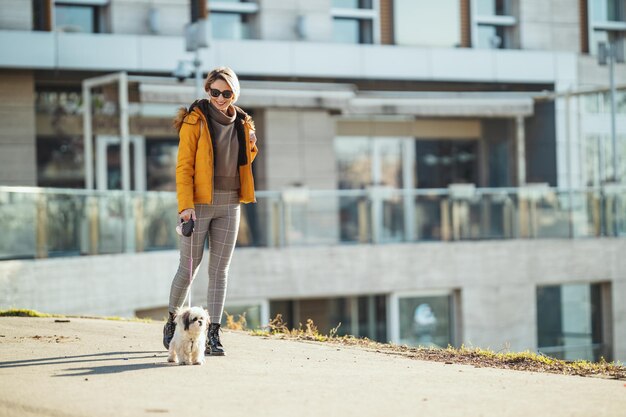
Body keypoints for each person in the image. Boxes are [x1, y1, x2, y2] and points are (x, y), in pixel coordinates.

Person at [163, 67, 258, 356]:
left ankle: (213, 333)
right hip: (199, 203)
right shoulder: (195, 120)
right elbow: (184, 167)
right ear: (207, 91)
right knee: (189, 268)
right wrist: (186, 206)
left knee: (220, 271)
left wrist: (252, 146)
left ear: (234, 93)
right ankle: (172, 322)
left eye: (226, 93)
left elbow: (243, 160)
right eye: (214, 92)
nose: (219, 97)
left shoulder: (243, 122)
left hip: (230, 202)